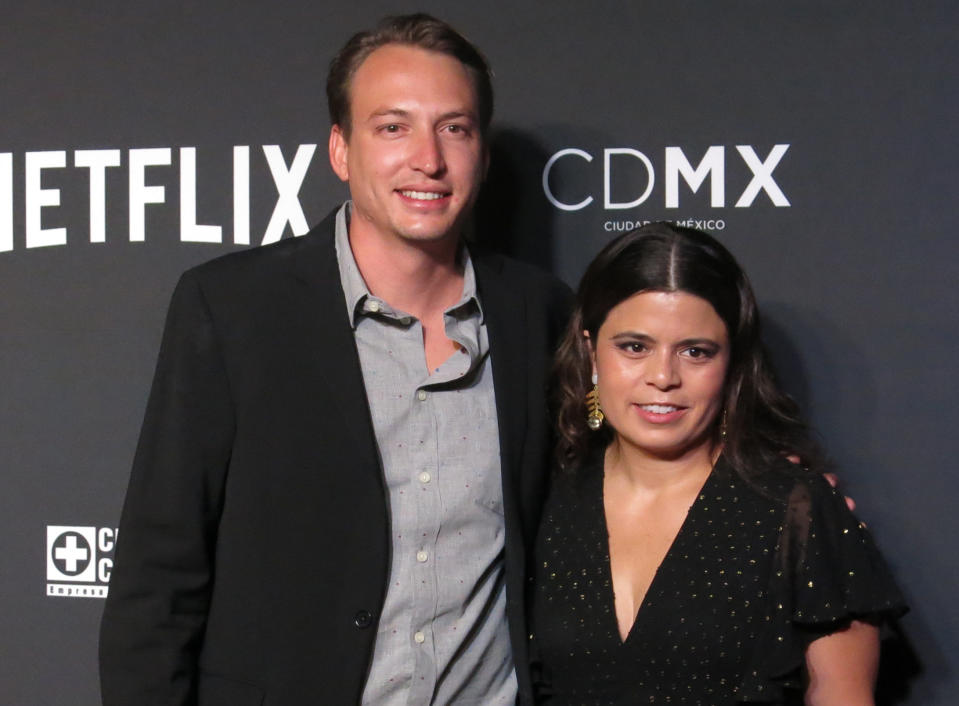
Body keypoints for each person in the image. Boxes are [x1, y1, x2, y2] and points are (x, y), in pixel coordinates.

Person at [99, 14, 571, 706]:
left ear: (482, 154)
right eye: (392, 127)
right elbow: (157, 575)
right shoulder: (233, 308)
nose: (427, 159)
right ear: (340, 150)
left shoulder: (540, 312)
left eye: (454, 128)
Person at [530, 223, 906, 704]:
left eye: (695, 351)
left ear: (732, 365)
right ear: (591, 352)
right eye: (634, 347)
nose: (663, 377)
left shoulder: (796, 510)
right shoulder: (548, 497)